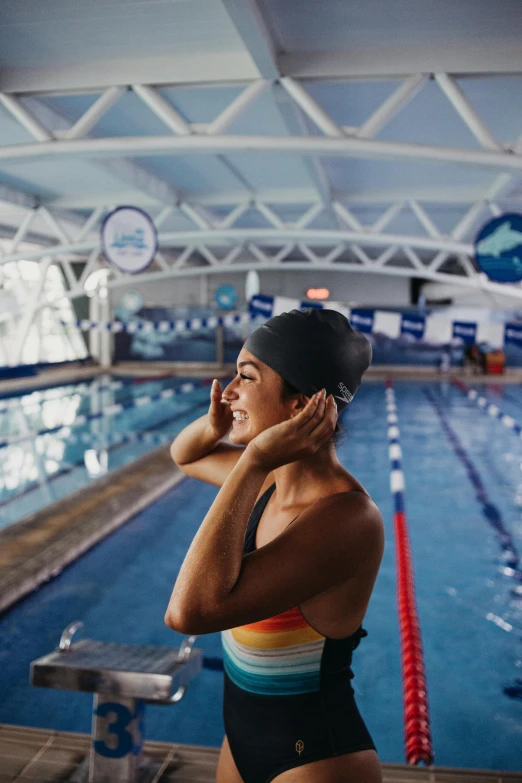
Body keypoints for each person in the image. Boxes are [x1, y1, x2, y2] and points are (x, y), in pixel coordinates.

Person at [166, 308, 385, 783]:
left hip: (313, 761)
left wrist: (254, 459)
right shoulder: (268, 485)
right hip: (240, 744)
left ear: (300, 405)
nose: (229, 391)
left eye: (246, 377)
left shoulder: (347, 518)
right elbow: (186, 456)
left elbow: (190, 613)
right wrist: (217, 428)